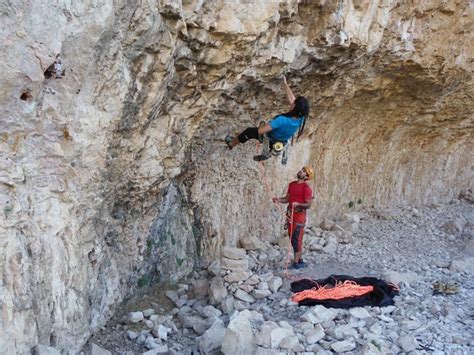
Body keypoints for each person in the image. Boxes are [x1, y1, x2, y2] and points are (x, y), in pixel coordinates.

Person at [225, 76, 309, 161]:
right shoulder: (301, 118)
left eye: (294, 103)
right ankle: (272, 150)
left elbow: (260, 131)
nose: (292, 102)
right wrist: (285, 83)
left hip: (271, 137)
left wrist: (265, 125)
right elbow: (292, 100)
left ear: (295, 107)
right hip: (281, 140)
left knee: (250, 131)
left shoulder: (282, 120)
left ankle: (231, 143)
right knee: (273, 136)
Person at [273, 166, 314, 269]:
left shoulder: (306, 188)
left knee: (296, 237)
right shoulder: (292, 185)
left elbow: (308, 204)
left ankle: (296, 263)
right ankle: (299, 259)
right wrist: (278, 199)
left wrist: (298, 204)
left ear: (306, 176)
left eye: (304, 171)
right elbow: (287, 199)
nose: (301, 171)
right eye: (302, 170)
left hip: (299, 215)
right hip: (291, 213)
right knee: (292, 236)